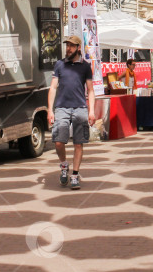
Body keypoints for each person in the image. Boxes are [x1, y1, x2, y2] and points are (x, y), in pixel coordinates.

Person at [48, 35, 96, 190]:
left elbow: (90, 90)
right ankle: (63, 165)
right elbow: (53, 88)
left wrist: (92, 111)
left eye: (71, 46)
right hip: (61, 108)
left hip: (80, 108)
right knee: (58, 141)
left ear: (78, 48)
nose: (68, 48)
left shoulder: (85, 66)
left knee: (78, 143)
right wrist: (50, 110)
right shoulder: (60, 65)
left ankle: (74, 175)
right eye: (67, 45)